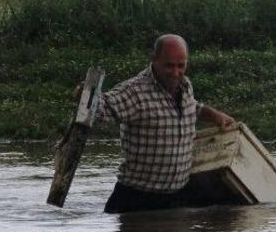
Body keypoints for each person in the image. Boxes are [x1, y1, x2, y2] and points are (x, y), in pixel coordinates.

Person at [96, 34, 235, 213]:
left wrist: (215, 115)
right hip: (136, 201)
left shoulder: (185, 85)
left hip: (176, 198)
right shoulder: (135, 92)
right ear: (154, 59)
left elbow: (192, 107)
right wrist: (89, 99)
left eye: (181, 65)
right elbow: (105, 107)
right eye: (169, 65)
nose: (175, 72)